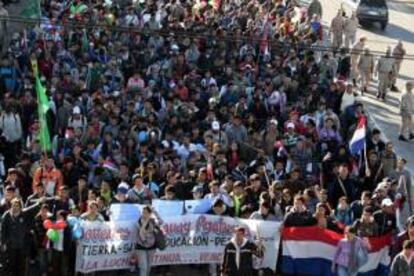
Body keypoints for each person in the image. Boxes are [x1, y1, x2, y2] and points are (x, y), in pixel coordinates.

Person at [1, 197, 45, 276]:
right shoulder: (6, 216)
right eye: (14, 205)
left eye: (17, 205)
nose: (15, 207)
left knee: (22, 267)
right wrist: (3, 243)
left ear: (20, 207)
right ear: (11, 206)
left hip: (22, 246)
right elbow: (2, 230)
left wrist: (39, 203)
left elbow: (32, 209)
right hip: (11, 246)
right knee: (11, 266)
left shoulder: (24, 213)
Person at [136, 205, 162, 276]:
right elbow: (142, 231)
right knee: (143, 267)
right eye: (143, 212)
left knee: (148, 266)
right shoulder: (138, 221)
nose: (144, 214)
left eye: (147, 212)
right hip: (141, 247)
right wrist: (147, 219)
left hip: (152, 247)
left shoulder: (153, 221)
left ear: (150, 213)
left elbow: (161, 222)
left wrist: (155, 212)